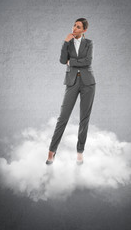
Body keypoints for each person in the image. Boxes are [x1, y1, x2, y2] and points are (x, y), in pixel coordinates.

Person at [46, 18, 96, 165]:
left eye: (78, 27)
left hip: (88, 83)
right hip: (71, 82)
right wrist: (65, 42)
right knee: (63, 118)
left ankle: (80, 152)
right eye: (74, 25)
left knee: (84, 119)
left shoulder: (89, 43)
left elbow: (88, 61)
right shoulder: (68, 42)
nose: (74, 28)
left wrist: (71, 62)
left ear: (84, 30)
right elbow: (62, 60)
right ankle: (51, 151)